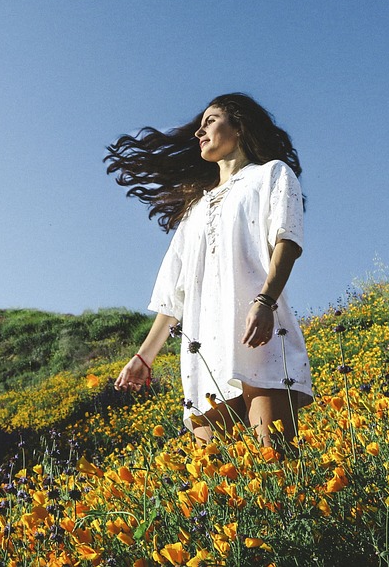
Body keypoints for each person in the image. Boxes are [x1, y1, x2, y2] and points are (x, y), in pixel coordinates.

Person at [107, 93, 314, 448]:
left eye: (211, 121)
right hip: (204, 351)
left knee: (276, 463)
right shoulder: (195, 211)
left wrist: (265, 300)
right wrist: (144, 357)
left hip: (260, 334)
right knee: (216, 482)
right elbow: (175, 294)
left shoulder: (271, 175)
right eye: (200, 126)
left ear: (239, 126)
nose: (199, 132)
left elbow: (287, 241)